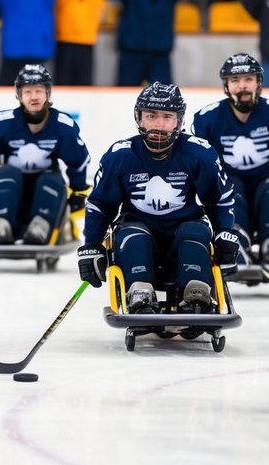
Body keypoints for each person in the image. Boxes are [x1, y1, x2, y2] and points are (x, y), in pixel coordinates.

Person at [77, 82, 240, 315]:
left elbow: (219, 199)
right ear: (139, 118)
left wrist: (225, 232)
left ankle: (197, 291)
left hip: (186, 225)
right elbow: (101, 205)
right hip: (137, 225)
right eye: (151, 116)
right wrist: (92, 245)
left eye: (167, 117)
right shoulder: (119, 155)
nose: (159, 125)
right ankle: (139, 290)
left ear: (179, 121)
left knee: (194, 234)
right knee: (133, 237)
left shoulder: (199, 153)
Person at [192, 54, 269, 263]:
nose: (242, 86)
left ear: (259, 83)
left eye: (248, 79)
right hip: (230, 182)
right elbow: (196, 163)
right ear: (226, 86)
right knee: (230, 193)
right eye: (235, 81)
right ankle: (235, 241)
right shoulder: (207, 118)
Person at [0, 65, 90, 245]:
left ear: (48, 93)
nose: (34, 97)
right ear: (19, 95)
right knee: (6, 173)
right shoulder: (2, 123)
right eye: (28, 92)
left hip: (46, 183)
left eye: (39, 90)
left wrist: (79, 190)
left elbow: (79, 159)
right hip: (12, 183)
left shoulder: (63, 126)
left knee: (51, 180)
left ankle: (40, 226)